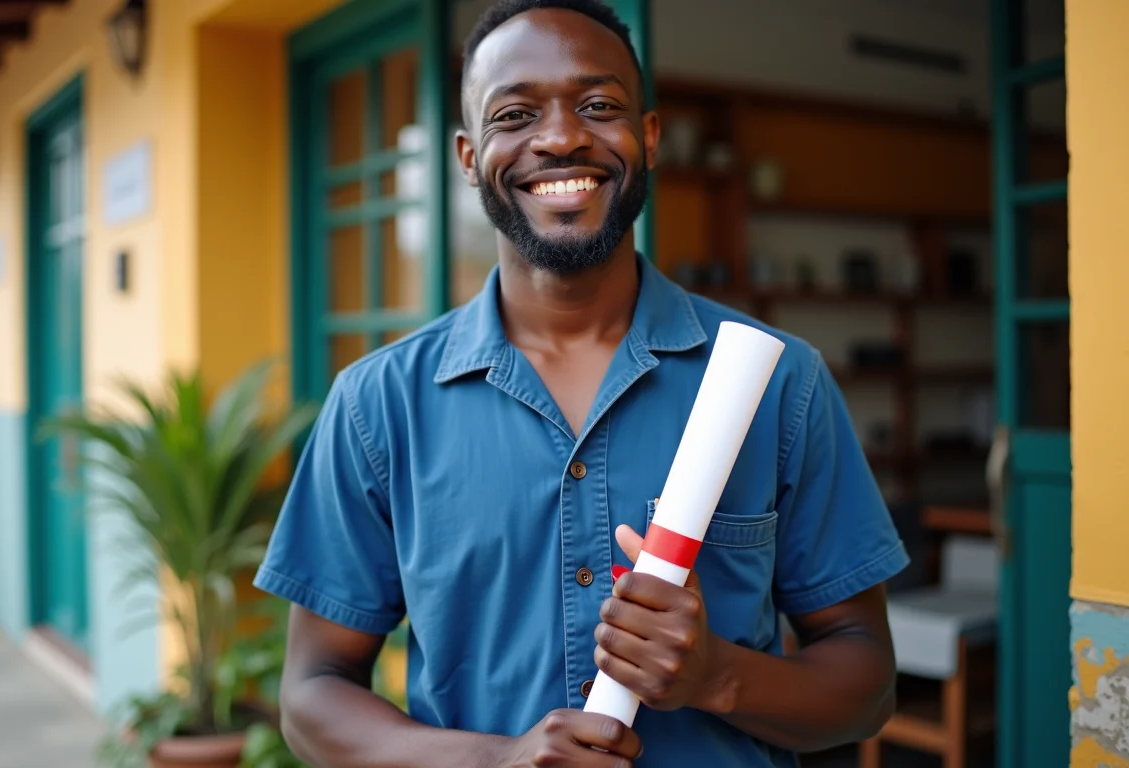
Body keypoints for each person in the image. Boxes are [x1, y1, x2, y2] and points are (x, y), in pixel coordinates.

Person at [255, 0, 910, 765]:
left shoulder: (780, 383)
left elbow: (866, 685)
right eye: (515, 114)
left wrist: (715, 675)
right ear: (467, 156)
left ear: (650, 137)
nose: (562, 137)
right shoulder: (378, 405)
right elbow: (311, 694)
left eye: (598, 106)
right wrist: (494, 761)